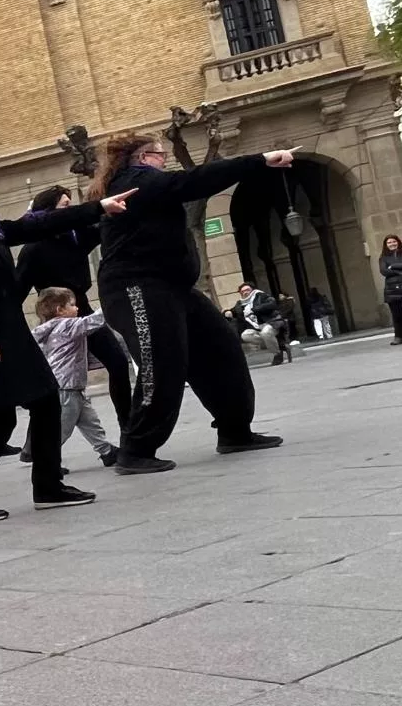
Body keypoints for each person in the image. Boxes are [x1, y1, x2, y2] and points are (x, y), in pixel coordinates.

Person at [0, 153, 133, 525]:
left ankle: (48, 488)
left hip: (8, 333)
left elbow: (38, 224)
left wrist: (97, 207)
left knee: (45, 399)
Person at [91, 135, 292, 473]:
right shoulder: (133, 181)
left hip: (174, 286)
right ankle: (135, 451)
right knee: (161, 362)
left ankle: (234, 430)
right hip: (134, 287)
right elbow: (193, 181)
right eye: (160, 154)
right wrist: (259, 159)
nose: (165, 159)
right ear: (143, 157)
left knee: (221, 348)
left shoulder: (147, 181)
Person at [15, 185, 134, 431]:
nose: (70, 211)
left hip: (82, 311)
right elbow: (17, 291)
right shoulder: (33, 249)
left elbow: (102, 228)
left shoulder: (76, 235)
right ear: (48, 212)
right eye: (64, 206)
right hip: (56, 321)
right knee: (55, 385)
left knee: (118, 363)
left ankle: (128, 428)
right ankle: (36, 445)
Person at [32, 288, 120, 468]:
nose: (77, 308)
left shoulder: (51, 329)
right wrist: (112, 302)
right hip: (66, 387)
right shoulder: (66, 325)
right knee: (63, 427)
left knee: (90, 421)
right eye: (71, 305)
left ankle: (106, 451)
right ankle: (46, 462)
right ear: (59, 310)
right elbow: (93, 322)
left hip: (72, 386)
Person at [229, 282, 291, 365]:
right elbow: (234, 311)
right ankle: (280, 346)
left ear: (252, 290)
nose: (245, 292)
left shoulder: (261, 296)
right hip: (256, 327)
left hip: (271, 323)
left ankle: (277, 354)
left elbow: (272, 304)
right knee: (245, 335)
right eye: (242, 291)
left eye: (247, 290)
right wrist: (227, 312)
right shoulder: (240, 303)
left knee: (266, 332)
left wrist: (254, 309)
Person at [382, 235, 402, 345]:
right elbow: (384, 271)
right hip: (392, 290)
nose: (392, 244)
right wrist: (400, 271)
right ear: (386, 245)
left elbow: (389, 269)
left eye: (394, 241)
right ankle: (399, 336)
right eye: (389, 242)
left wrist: (393, 266)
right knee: (396, 314)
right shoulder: (383, 258)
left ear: (398, 242)